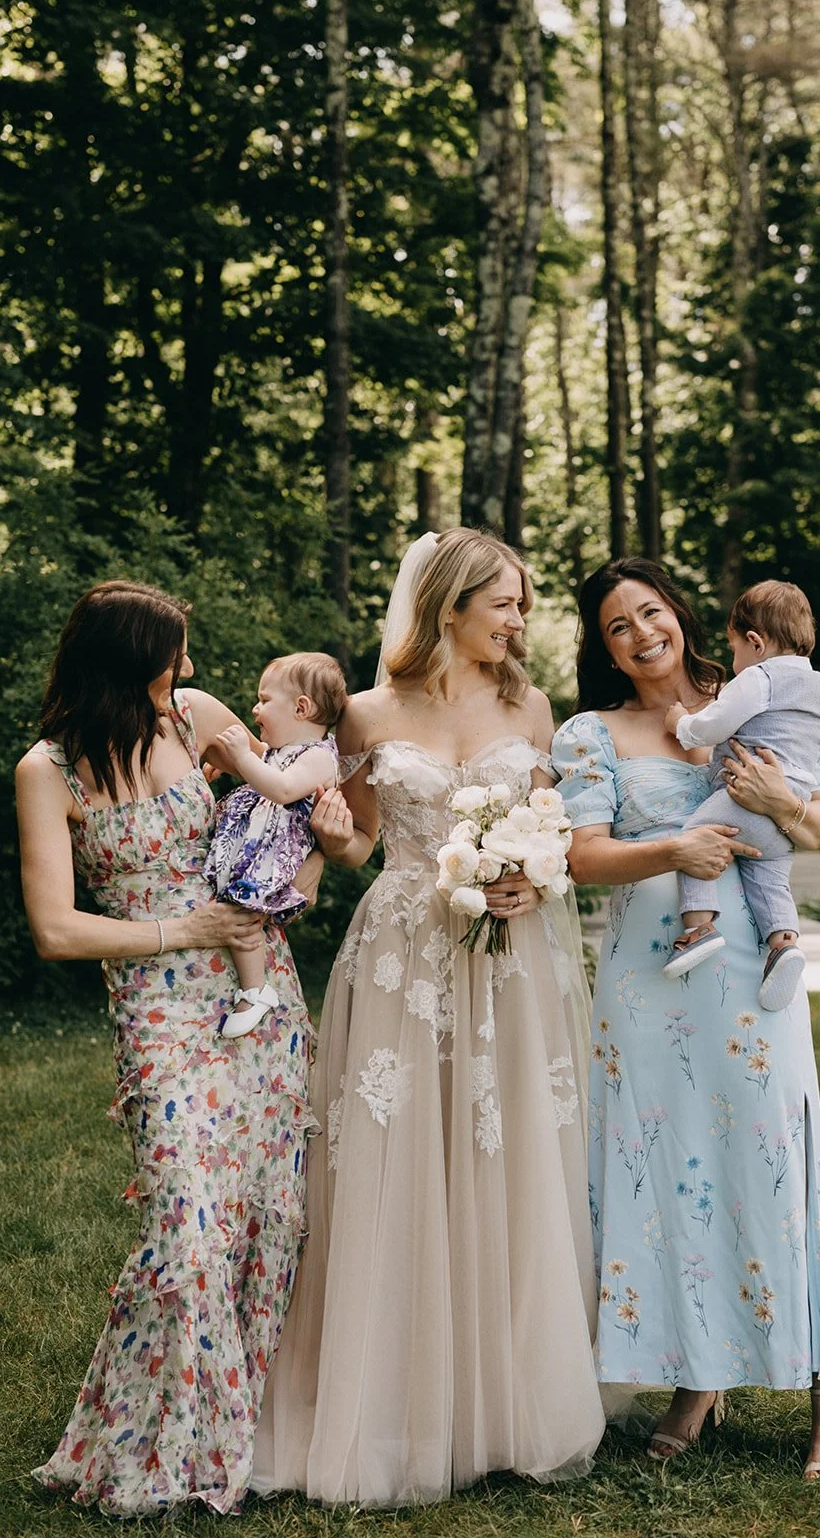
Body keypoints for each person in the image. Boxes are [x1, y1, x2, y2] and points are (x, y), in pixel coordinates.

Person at [251, 529, 605, 1507]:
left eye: (521, 603)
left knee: (504, 1159)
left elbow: (548, 832)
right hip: (401, 950)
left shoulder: (527, 705)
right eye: (503, 602)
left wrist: (529, 882)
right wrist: (334, 832)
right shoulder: (364, 712)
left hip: (505, 959)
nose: (516, 619)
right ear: (449, 605)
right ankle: (395, 1403)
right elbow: (361, 842)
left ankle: (503, 1402)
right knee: (396, 1160)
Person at [16, 580, 323, 1517]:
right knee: (189, 1233)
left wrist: (314, 865)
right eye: (172, 655)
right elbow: (57, 931)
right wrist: (177, 932)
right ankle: (159, 1446)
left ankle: (238, 1445)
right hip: (156, 1006)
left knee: (267, 1220)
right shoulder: (49, 771)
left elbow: (299, 803)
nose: (188, 670)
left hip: (256, 994)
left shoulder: (195, 721)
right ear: (123, 665)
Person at [552, 558, 820, 1481]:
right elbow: (580, 858)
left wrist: (782, 803)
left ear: (680, 617)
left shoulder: (759, 692)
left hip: (753, 979)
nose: (641, 633)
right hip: (646, 987)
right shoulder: (591, 733)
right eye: (617, 625)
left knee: (774, 1163)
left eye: (650, 612)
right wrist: (671, 848)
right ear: (602, 647)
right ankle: (696, 1377)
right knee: (666, 1173)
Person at [661, 580, 820, 1012]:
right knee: (771, 874)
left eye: (734, 647)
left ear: (755, 642)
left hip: (744, 793)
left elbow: (714, 725)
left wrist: (681, 723)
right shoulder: (819, 687)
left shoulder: (759, 677)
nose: (733, 659)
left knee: (697, 832)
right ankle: (783, 944)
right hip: (790, 802)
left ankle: (699, 926)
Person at [205, 652, 345, 1037]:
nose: (255, 708)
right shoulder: (280, 752)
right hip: (255, 847)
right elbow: (264, 774)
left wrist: (242, 758)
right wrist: (232, 764)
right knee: (234, 906)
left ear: (302, 708)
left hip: (275, 856)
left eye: (265, 700)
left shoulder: (319, 757)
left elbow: (281, 789)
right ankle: (252, 987)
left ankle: (255, 990)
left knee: (244, 910)